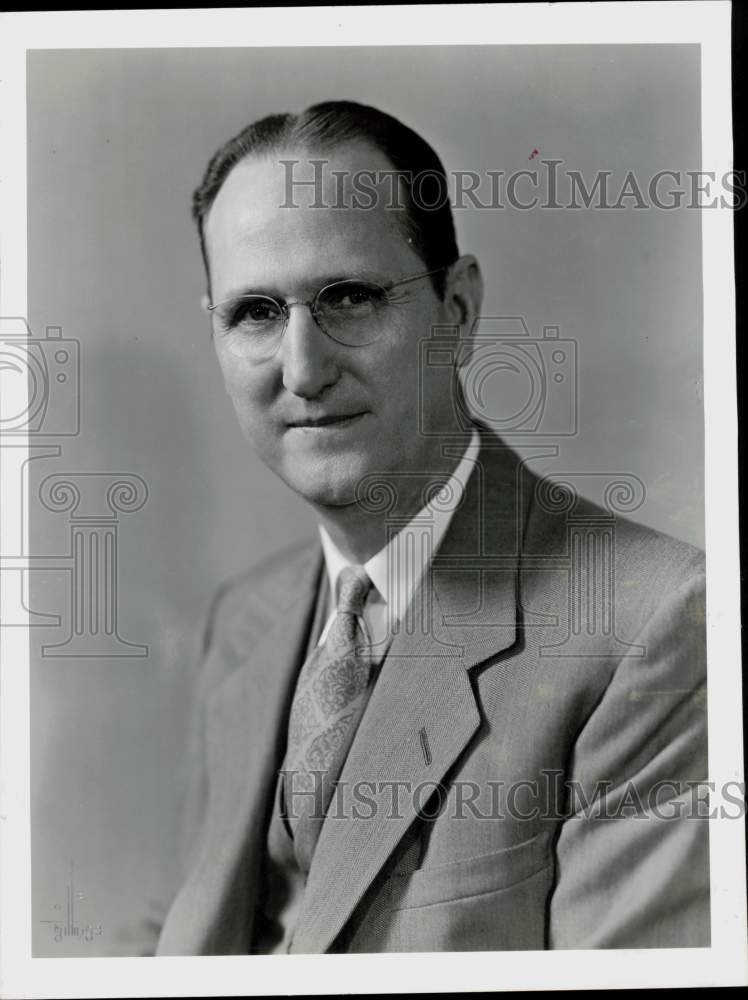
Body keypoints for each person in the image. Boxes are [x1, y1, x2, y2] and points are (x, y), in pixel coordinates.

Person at [153, 101, 708, 954]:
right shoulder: (246, 620)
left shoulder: (654, 625)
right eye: (256, 313)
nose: (302, 370)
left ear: (456, 312)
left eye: (349, 297)